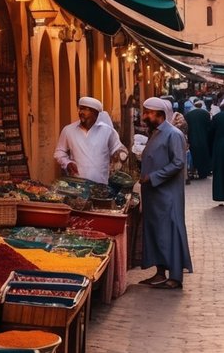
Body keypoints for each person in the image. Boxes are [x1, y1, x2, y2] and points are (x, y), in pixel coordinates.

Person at [138, 97, 193, 290]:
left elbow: (178, 163)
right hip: (154, 195)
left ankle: (175, 276)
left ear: (158, 114)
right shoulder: (156, 133)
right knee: (157, 233)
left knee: (171, 231)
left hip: (167, 194)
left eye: (148, 113)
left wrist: (153, 177)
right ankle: (160, 272)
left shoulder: (174, 134)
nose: (144, 116)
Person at [54, 96, 127, 183]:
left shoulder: (107, 131)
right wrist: (67, 163)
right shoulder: (68, 130)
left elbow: (118, 151)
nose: (81, 112)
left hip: (101, 186)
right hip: (77, 186)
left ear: (95, 113)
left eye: (86, 109)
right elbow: (59, 152)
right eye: (80, 108)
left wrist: (118, 158)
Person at [185, 98, 211, 179]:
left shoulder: (188, 115)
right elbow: (209, 127)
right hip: (204, 138)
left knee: (194, 155)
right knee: (203, 155)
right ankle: (203, 173)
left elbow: (186, 128)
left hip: (192, 138)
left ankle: (193, 172)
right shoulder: (206, 114)